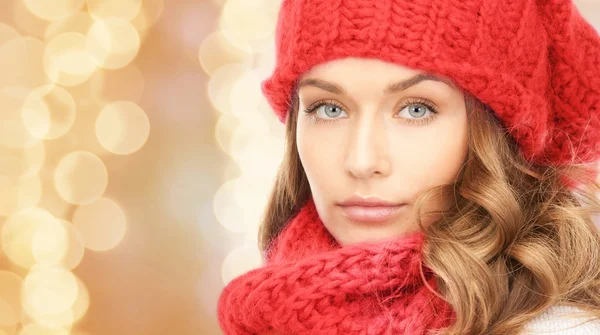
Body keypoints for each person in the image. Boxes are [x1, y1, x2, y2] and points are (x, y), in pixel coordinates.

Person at [217, 0, 600, 334]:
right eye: (329, 108)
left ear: (497, 132)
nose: (362, 161)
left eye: (417, 109)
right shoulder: (275, 309)